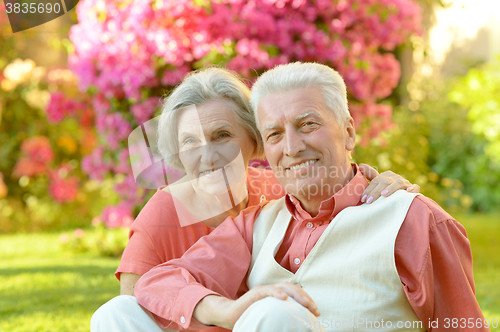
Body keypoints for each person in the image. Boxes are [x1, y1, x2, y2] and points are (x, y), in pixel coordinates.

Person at [92, 66, 422, 332]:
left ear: (255, 139)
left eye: (222, 136)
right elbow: (138, 304)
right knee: (115, 312)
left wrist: (379, 182)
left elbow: (335, 192)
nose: (207, 155)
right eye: (190, 143)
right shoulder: (163, 214)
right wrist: (223, 312)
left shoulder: (282, 192)